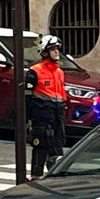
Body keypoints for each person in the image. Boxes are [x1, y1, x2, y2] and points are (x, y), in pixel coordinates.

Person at [26, 34, 68, 178]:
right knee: (40, 149)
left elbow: (62, 96)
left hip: (57, 117)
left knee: (57, 151)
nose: (57, 52)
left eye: (57, 49)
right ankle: (35, 178)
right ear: (44, 52)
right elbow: (27, 96)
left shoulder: (59, 72)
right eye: (53, 49)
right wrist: (28, 120)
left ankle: (57, 179)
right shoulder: (35, 71)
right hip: (42, 118)